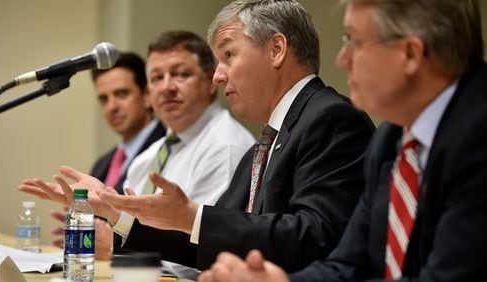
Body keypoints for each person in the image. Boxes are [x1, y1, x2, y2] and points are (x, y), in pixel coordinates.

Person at [198, 0, 487, 281]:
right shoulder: (391, 138)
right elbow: (347, 266)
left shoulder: (478, 135)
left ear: (410, 54)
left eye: (355, 41)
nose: (342, 59)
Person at [97, 0, 374, 273]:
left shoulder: (331, 118)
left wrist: (191, 216)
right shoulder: (264, 142)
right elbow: (215, 239)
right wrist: (120, 219)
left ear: (276, 50)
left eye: (228, 55)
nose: (217, 75)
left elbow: (316, 236)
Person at [19, 30, 255, 279]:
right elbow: (130, 229)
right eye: (156, 77)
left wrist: (114, 247)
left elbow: (200, 256)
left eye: (181, 74)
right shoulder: (151, 154)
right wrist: (106, 207)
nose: (166, 87)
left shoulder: (226, 147)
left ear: (210, 81)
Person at [49, 52, 166, 260]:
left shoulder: (166, 151)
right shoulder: (104, 162)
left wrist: (112, 248)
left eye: (121, 94)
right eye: (104, 99)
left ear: (147, 96)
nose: (111, 107)